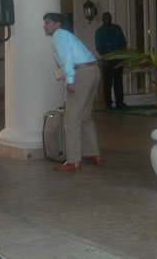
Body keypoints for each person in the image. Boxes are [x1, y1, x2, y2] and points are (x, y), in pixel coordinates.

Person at [43, 12, 102, 171]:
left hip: (80, 74)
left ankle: (73, 161)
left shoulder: (58, 36)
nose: (45, 25)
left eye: (48, 22)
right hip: (93, 70)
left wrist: (70, 80)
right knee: (85, 116)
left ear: (57, 24)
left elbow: (66, 58)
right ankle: (93, 153)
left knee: (70, 121)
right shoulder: (67, 35)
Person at [95, 12, 128, 110]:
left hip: (118, 61)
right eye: (105, 18)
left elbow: (123, 43)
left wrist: (123, 56)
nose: (107, 19)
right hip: (106, 62)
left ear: (111, 18)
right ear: (102, 19)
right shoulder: (99, 31)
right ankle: (108, 104)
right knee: (107, 84)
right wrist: (107, 58)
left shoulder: (117, 28)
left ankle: (120, 103)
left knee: (118, 83)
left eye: (109, 17)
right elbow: (99, 48)